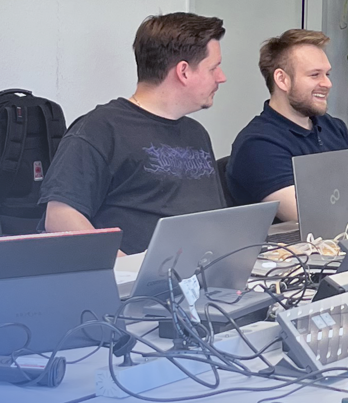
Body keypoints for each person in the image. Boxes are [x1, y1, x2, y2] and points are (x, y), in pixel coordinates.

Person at [40, 13, 228, 255]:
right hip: (132, 276)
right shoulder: (100, 129)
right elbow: (59, 217)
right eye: (213, 68)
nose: (221, 77)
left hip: (200, 271)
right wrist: (124, 265)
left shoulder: (196, 133)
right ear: (183, 71)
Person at [227, 29, 348, 220]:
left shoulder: (334, 128)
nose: (327, 83)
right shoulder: (258, 145)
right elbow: (312, 220)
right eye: (315, 75)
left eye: (327, 74)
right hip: (314, 239)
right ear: (282, 79)